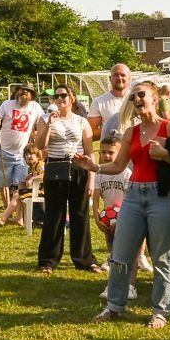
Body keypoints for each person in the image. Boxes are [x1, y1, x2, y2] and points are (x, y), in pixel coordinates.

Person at [76, 81, 170, 328]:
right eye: (133, 96)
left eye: (141, 95)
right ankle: (114, 306)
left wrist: (165, 155)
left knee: (162, 258)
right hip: (133, 195)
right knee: (121, 255)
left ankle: (160, 311)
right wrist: (94, 167)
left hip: (162, 196)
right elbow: (118, 166)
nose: (136, 99)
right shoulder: (131, 133)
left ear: (155, 99)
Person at [34, 85, 100, 274]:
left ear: (72, 98)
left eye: (64, 95)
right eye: (56, 96)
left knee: (80, 213)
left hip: (78, 167)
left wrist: (91, 179)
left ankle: (84, 259)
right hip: (55, 166)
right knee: (54, 215)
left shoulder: (81, 121)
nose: (60, 99)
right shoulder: (45, 119)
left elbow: (89, 152)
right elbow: (40, 145)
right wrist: (49, 124)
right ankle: (48, 260)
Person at [92, 134, 136, 301]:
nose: (106, 155)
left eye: (111, 152)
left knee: (125, 247)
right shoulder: (100, 173)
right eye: (103, 152)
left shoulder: (126, 173)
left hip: (125, 215)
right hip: (107, 217)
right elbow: (96, 196)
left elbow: (129, 197)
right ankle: (111, 259)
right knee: (110, 241)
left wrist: (121, 217)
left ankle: (130, 272)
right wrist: (96, 217)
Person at [0, 83, 44, 210]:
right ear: (17, 92)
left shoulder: (35, 107)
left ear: (32, 96)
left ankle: (19, 212)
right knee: (3, 183)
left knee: (21, 182)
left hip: (22, 153)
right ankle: (7, 207)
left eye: (28, 91)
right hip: (2, 149)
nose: (24, 93)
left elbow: (43, 122)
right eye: (22, 90)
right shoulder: (6, 104)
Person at [0, 143, 43, 227]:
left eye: (31, 154)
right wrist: (30, 176)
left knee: (18, 194)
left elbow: (45, 174)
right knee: (17, 193)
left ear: (38, 155)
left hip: (42, 192)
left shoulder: (40, 164)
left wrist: (32, 178)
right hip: (37, 190)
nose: (28, 156)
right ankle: (18, 218)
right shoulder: (33, 166)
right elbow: (34, 174)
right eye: (26, 154)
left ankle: (3, 218)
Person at [87, 64, 131, 142]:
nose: (119, 78)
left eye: (123, 75)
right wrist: (111, 129)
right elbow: (90, 133)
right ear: (110, 78)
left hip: (134, 149)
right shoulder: (99, 102)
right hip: (111, 151)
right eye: (116, 75)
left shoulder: (137, 100)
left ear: (129, 78)